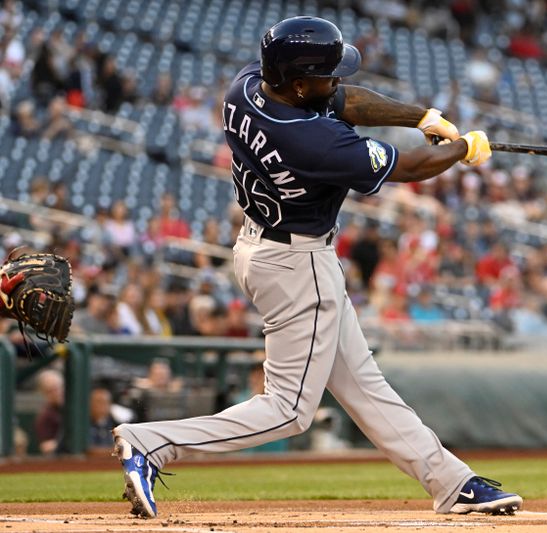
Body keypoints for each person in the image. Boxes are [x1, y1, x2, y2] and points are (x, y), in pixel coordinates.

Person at [112, 16, 520, 519]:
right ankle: (152, 444)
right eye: (327, 75)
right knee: (288, 410)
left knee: (363, 384)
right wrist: (463, 149)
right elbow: (411, 168)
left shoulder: (247, 87)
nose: (337, 82)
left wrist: (422, 117)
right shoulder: (312, 141)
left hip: (266, 246)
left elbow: (343, 100)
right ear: (300, 83)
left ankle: (451, 482)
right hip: (295, 264)